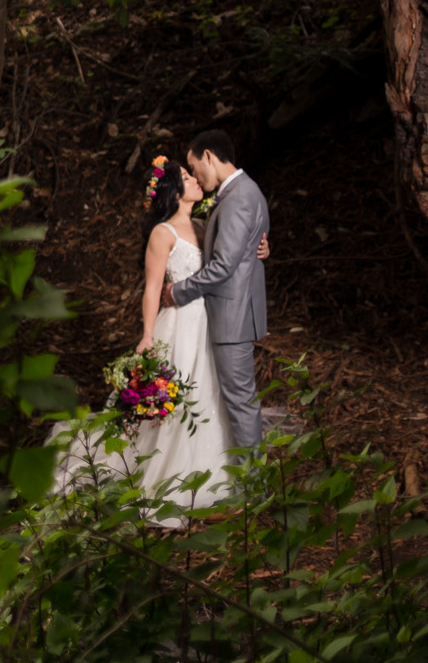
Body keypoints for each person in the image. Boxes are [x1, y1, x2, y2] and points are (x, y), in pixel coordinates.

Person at [53, 154, 242, 516]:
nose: (195, 181)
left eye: (191, 175)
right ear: (173, 192)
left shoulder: (204, 225)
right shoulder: (163, 233)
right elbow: (153, 289)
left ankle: (217, 469)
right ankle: (167, 473)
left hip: (208, 322)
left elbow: (227, 262)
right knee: (177, 395)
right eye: (186, 178)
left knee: (210, 391)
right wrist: (147, 335)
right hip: (179, 324)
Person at [162, 129, 270, 450]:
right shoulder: (239, 192)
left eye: (195, 167)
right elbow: (243, 246)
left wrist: (178, 291)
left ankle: (255, 492)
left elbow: (223, 266)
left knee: (240, 402)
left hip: (231, 316)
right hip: (229, 313)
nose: (195, 175)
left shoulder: (238, 197)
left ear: (209, 155)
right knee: (236, 401)